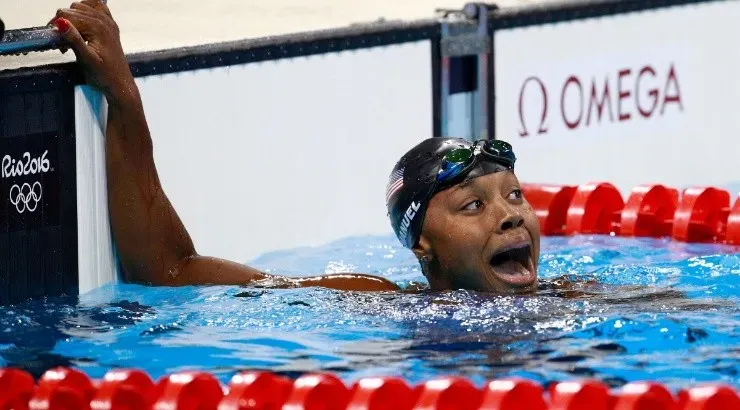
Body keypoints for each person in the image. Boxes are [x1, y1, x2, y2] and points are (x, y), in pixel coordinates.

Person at [51, 0, 540, 294]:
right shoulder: (373, 301)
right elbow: (171, 268)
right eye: (474, 204)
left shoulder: (577, 303)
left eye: (514, 195)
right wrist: (122, 92)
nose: (510, 214)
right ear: (421, 245)